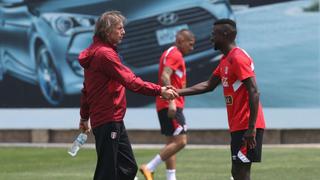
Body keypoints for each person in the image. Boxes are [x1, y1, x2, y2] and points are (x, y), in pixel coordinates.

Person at [77, 11, 178, 180]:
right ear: (107, 31)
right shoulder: (105, 55)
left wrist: (83, 117)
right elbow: (130, 81)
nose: (123, 32)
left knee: (127, 168)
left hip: (111, 119)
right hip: (108, 119)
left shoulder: (97, 52)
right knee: (107, 171)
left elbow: (87, 90)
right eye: (119, 28)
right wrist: (159, 90)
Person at [177, 19, 266, 180]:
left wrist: (251, 128)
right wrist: (177, 92)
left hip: (247, 125)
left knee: (241, 172)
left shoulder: (238, 58)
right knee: (237, 171)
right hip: (238, 125)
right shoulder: (225, 60)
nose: (211, 38)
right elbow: (208, 85)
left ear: (225, 35)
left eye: (214, 34)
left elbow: (254, 91)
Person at [140, 30, 195, 180]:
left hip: (164, 104)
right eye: (190, 44)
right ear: (180, 41)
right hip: (170, 105)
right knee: (181, 141)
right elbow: (165, 76)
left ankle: (171, 178)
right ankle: (149, 167)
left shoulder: (171, 53)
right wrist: (172, 102)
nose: (192, 48)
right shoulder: (175, 54)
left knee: (171, 143)